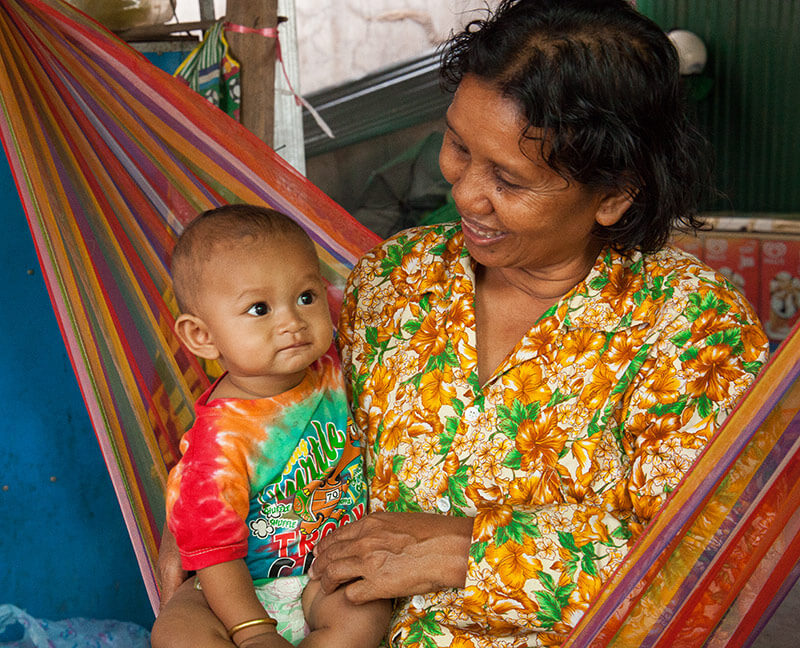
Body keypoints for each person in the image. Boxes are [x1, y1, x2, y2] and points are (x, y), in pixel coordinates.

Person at [153, 2, 770, 646]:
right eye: (457, 145)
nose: (465, 194)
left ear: (613, 196)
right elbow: (280, 399)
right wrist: (200, 509)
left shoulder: (692, 330)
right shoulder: (398, 279)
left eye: (508, 179)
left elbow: (714, 560)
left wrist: (470, 551)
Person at [157, 204, 390, 648]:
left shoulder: (338, 365)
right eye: (259, 308)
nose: (292, 322)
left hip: (326, 573)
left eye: (306, 296)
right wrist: (253, 632)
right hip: (233, 585)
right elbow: (213, 551)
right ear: (202, 337)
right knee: (175, 631)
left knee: (364, 610)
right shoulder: (219, 440)